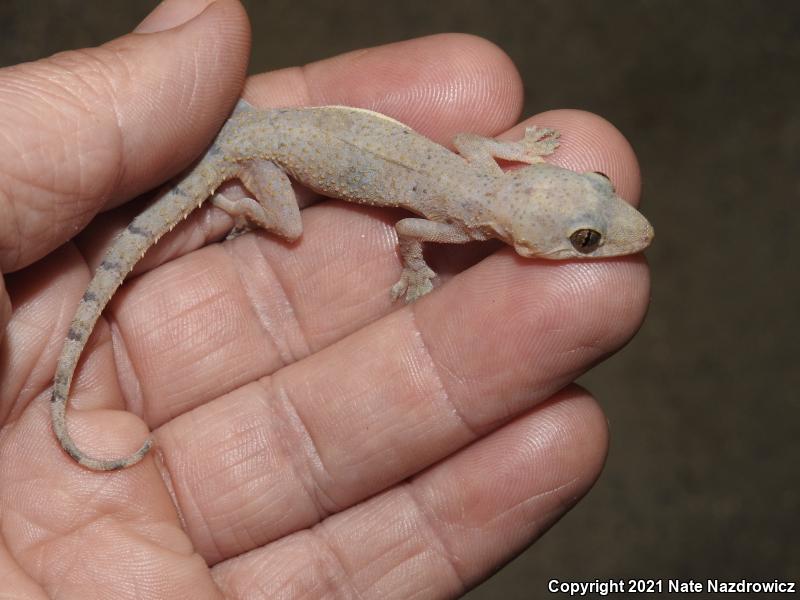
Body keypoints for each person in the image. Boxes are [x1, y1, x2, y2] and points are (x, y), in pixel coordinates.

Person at [0, 0, 650, 596]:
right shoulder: (464, 219)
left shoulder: (480, 182)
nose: (606, 236)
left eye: (586, 228)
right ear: (531, 247)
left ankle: (232, 189)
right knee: (289, 226)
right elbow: (409, 228)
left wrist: (513, 153)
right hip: (261, 153)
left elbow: (470, 146)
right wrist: (418, 269)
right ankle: (237, 197)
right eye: (587, 239)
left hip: (263, 126)